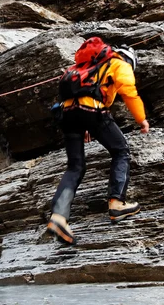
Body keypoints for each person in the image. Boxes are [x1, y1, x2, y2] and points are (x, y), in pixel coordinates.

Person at [46, 37, 149, 245]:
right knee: (121, 151)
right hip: (92, 110)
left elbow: (78, 96)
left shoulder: (83, 67)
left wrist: (85, 124)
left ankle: (59, 216)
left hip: (67, 113)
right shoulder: (118, 62)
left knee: (75, 166)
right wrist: (141, 119)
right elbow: (127, 89)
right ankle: (117, 203)